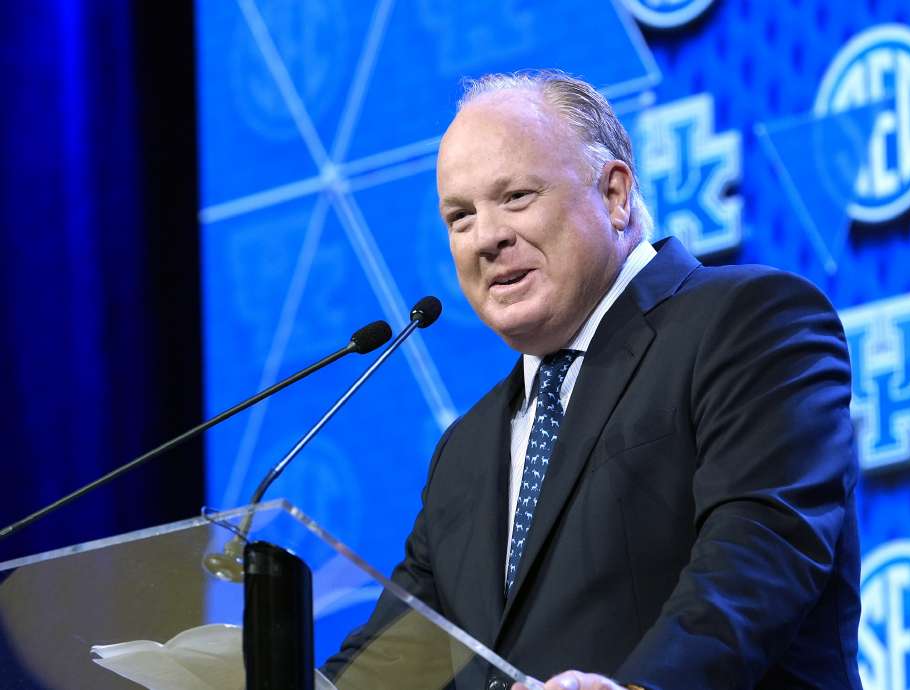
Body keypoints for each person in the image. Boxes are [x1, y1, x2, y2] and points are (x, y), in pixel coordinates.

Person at [324, 70, 862, 690]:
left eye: (517, 196)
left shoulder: (749, 321)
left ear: (614, 194)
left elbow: (758, 556)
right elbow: (397, 657)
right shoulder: (464, 452)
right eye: (460, 216)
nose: (488, 237)